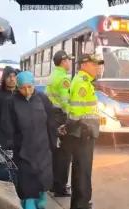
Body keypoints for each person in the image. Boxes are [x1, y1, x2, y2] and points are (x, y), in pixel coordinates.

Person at [0, 71, 56, 209]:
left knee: (43, 183)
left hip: (43, 149)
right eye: (23, 88)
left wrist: (54, 141)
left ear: (34, 85)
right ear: (18, 87)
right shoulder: (11, 102)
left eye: (29, 87)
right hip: (23, 151)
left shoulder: (42, 99)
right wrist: (9, 146)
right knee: (27, 188)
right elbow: (7, 126)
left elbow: (51, 121)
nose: (26, 91)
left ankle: (41, 206)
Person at [59, 54, 104, 209]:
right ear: (84, 66)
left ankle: (81, 203)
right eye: (94, 64)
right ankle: (82, 204)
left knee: (81, 169)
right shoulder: (82, 83)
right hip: (83, 132)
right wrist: (76, 127)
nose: (97, 67)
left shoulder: (84, 81)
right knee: (83, 171)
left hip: (82, 131)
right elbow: (77, 112)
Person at [46, 50, 75, 197]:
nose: (69, 63)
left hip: (52, 116)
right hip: (61, 116)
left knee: (55, 152)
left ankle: (52, 184)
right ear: (63, 62)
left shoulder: (51, 76)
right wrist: (71, 118)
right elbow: (65, 102)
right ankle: (61, 188)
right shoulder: (64, 78)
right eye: (68, 60)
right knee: (65, 153)